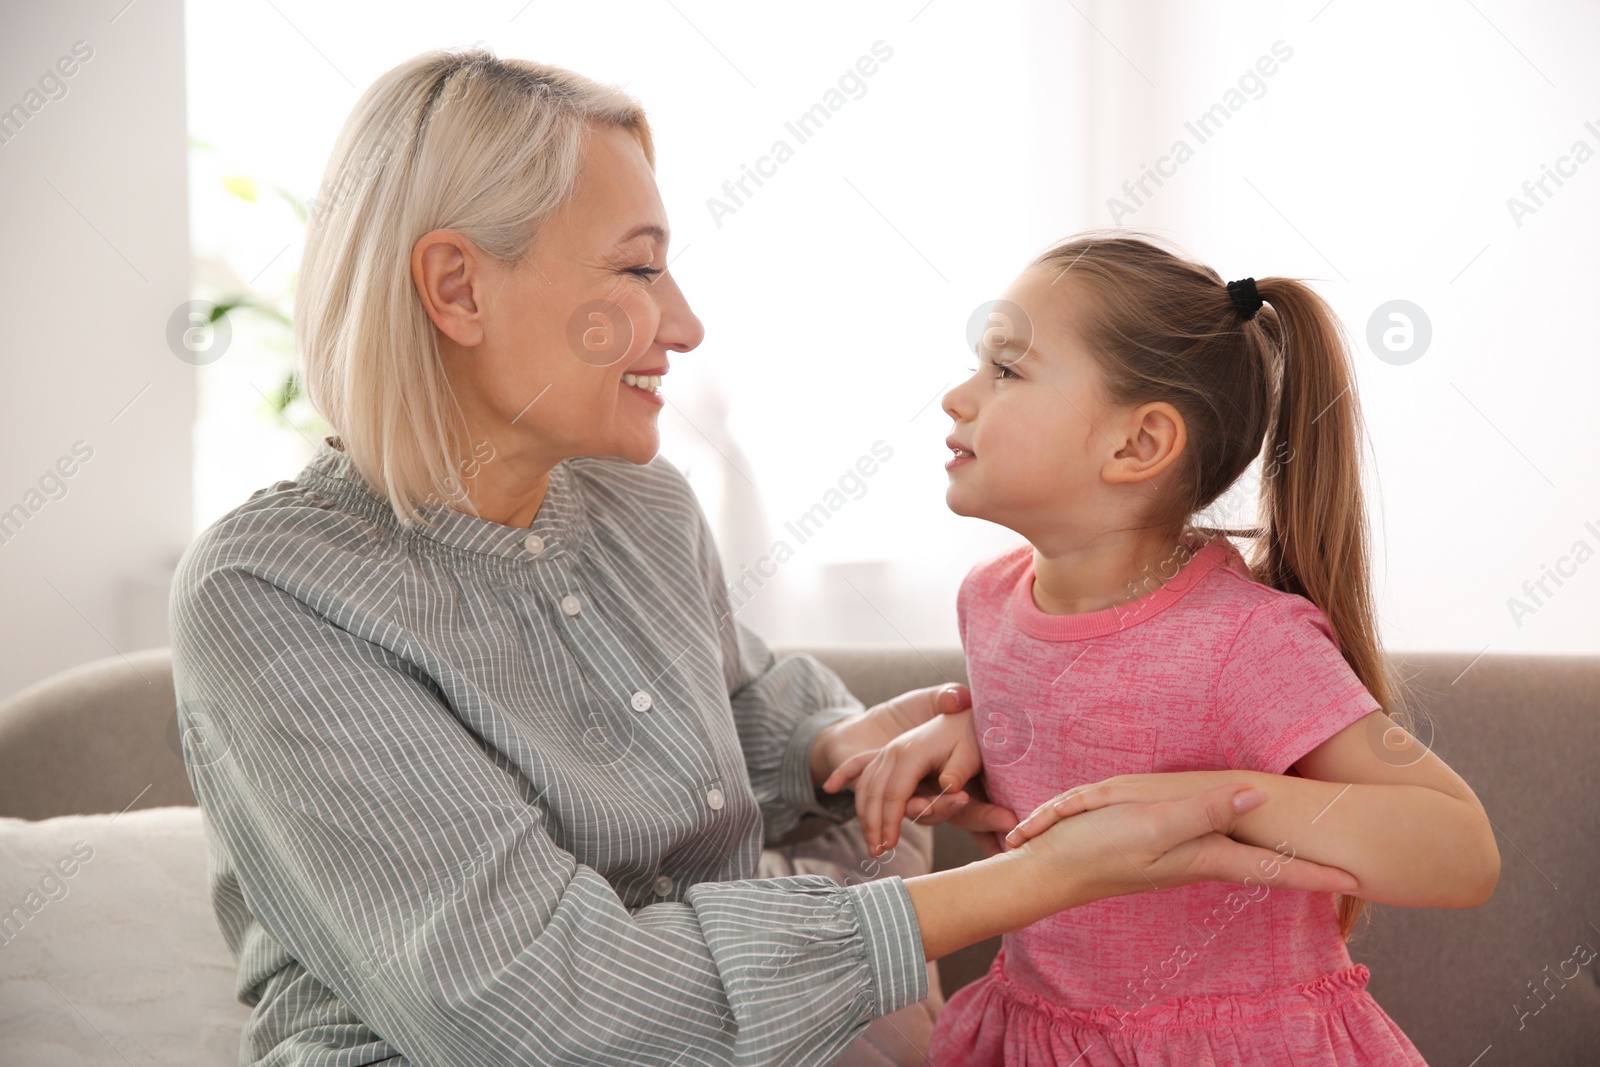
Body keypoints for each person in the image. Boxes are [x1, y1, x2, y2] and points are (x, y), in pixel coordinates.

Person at [170, 51, 1363, 1067]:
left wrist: (840, 747)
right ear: (456, 286)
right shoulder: (274, 590)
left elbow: (724, 711)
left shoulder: (638, 502)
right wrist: (1043, 878)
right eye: (637, 268)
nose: (682, 322)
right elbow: (543, 1006)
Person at [827, 234, 1502, 1065]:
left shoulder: (1247, 641)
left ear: (1138, 445)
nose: (957, 398)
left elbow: (1461, 850)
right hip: (1037, 1035)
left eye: (1006, 369)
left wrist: (1221, 798)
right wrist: (982, 736)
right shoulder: (989, 600)